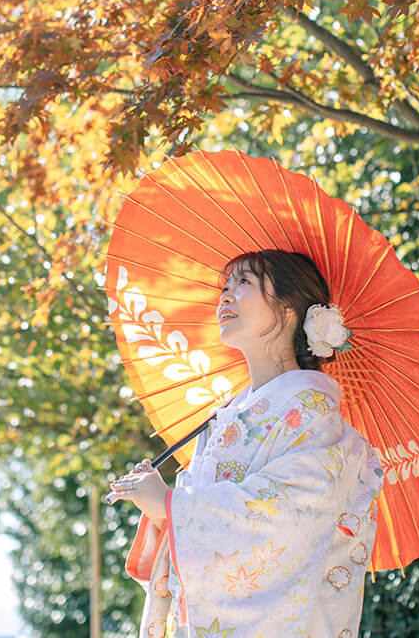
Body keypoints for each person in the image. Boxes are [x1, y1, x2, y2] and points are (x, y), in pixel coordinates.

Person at [106, 249, 384, 638]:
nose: (224, 296)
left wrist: (173, 506)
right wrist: (160, 508)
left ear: (288, 309)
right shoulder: (228, 413)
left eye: (244, 283)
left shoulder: (313, 410)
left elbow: (291, 516)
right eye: (226, 285)